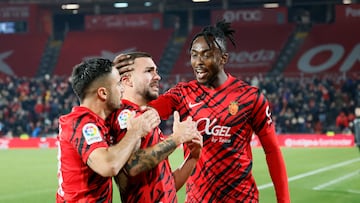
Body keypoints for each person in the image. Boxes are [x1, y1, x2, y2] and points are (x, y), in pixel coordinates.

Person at [114, 19, 290, 202]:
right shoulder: (182, 94)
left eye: (206, 55)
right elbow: (136, 108)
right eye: (194, 55)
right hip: (198, 199)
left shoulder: (251, 97)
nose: (198, 62)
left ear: (223, 58)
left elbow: (272, 151)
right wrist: (118, 80)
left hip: (241, 198)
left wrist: (284, 200)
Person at [56, 57, 160, 202]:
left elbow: (125, 157)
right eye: (118, 84)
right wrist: (135, 132)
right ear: (103, 93)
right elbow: (108, 166)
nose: (122, 89)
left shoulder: (98, 123)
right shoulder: (82, 124)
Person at [106, 52, 203, 203]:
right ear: (127, 80)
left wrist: (193, 157)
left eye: (156, 71)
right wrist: (176, 138)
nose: (157, 77)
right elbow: (133, 165)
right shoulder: (124, 116)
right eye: (149, 71)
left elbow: (166, 186)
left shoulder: (146, 117)